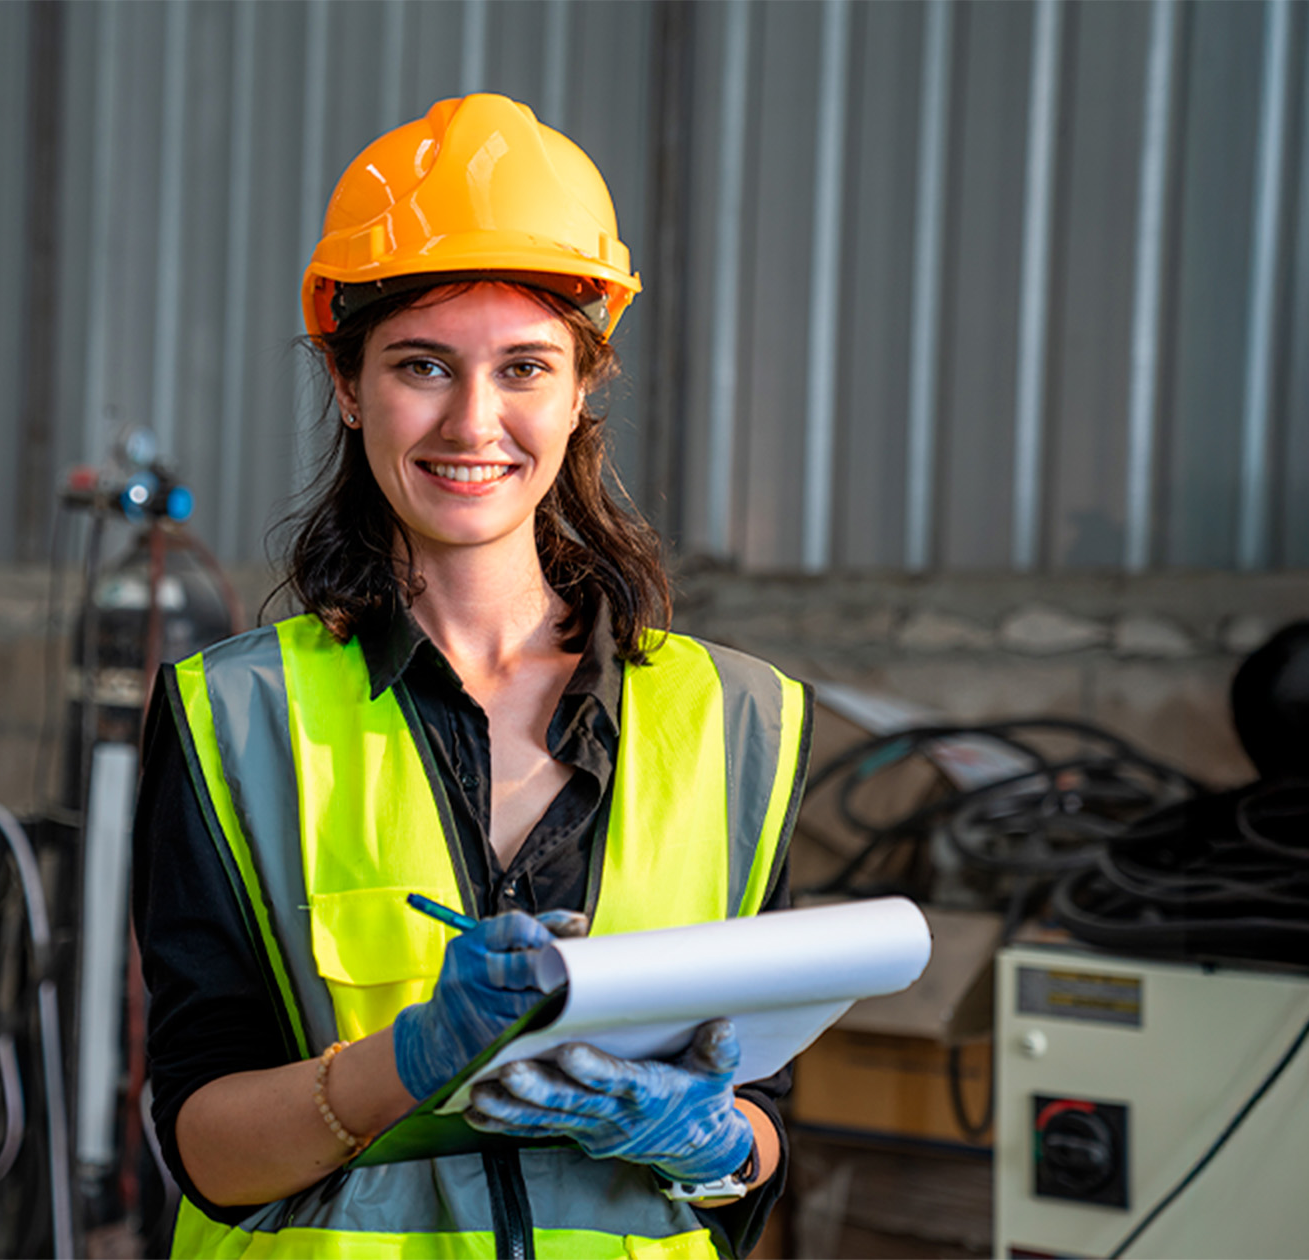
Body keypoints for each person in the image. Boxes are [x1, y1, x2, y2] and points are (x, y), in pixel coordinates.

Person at [132, 93, 812, 1259]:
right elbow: (204, 1151)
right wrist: (408, 1062)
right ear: (349, 387)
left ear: (582, 387)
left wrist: (710, 1144)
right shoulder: (233, 716)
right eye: (423, 365)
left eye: (525, 367)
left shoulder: (740, 721)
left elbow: (764, 1126)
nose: (474, 421)